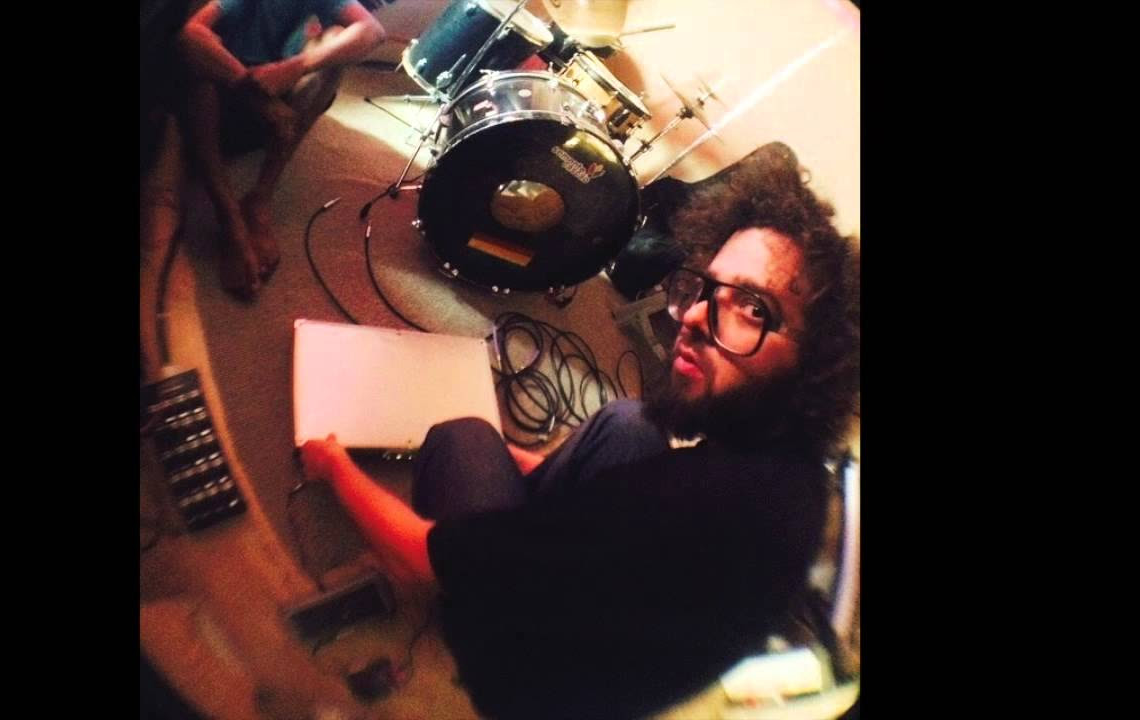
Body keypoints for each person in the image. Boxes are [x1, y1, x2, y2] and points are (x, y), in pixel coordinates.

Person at [299, 151, 860, 719]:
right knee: (631, 422)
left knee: (463, 437)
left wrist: (334, 465)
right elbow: (622, 535)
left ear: (819, 359)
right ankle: (529, 516)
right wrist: (539, 488)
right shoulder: (792, 479)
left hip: (528, 679)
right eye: (707, 289)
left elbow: (420, 556)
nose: (692, 318)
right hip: (619, 628)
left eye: (752, 307)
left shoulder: (686, 505)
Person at [178, 0, 385, 299]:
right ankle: (229, 217)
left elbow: (372, 31)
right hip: (218, 104)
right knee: (196, 69)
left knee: (334, 51)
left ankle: (259, 198)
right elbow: (190, 34)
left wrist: (297, 66)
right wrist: (255, 96)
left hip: (274, 103)